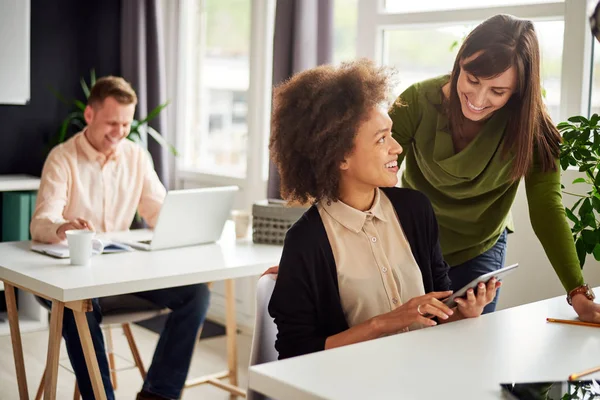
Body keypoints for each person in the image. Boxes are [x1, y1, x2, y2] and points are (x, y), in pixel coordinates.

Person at [267, 60, 501, 360]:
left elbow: (438, 313)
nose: (397, 148)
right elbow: (295, 352)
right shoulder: (307, 240)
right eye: (381, 139)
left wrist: (464, 313)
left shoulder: (416, 210)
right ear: (339, 158)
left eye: (391, 134)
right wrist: (381, 324)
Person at [388, 14, 599, 320]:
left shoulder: (532, 128)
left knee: (469, 342)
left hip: (479, 249)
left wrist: (578, 294)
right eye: (472, 80)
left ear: (518, 91)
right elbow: (375, 176)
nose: (477, 99)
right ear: (460, 62)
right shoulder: (416, 101)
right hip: (413, 242)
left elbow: (547, 209)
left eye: (498, 91)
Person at [31, 76, 210, 400]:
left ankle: (158, 394)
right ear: (89, 116)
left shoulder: (137, 157)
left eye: (126, 123)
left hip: (123, 276)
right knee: (79, 305)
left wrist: (187, 224)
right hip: (71, 282)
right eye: (112, 122)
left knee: (195, 293)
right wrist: (62, 226)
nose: (120, 131)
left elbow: (160, 214)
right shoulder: (62, 158)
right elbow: (41, 223)